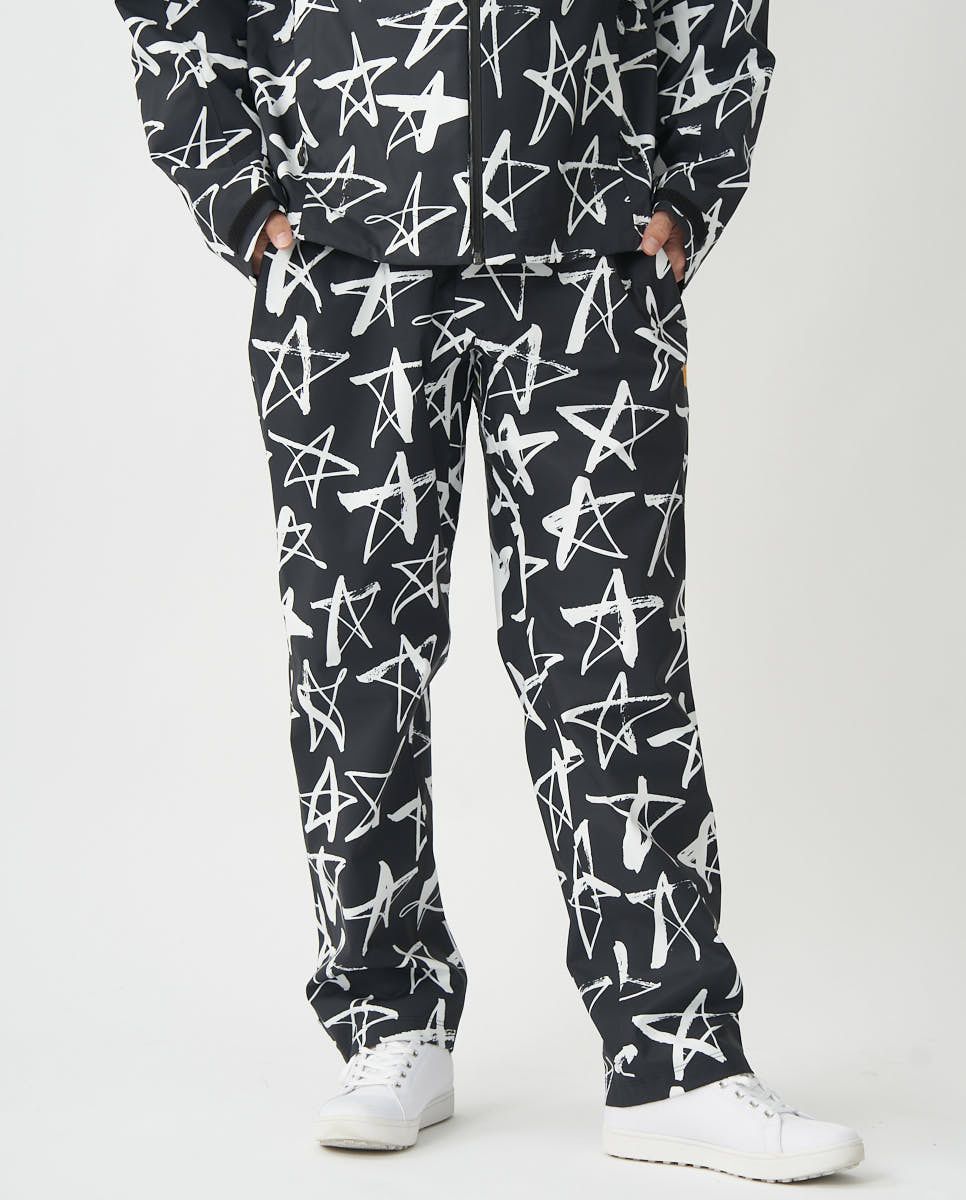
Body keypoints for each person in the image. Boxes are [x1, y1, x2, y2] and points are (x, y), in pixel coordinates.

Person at [115, 1, 863, 1182]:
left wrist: (691, 188)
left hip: (586, 258)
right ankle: (388, 1019)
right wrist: (240, 196)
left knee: (615, 664)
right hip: (347, 262)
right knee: (353, 658)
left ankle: (672, 1059)